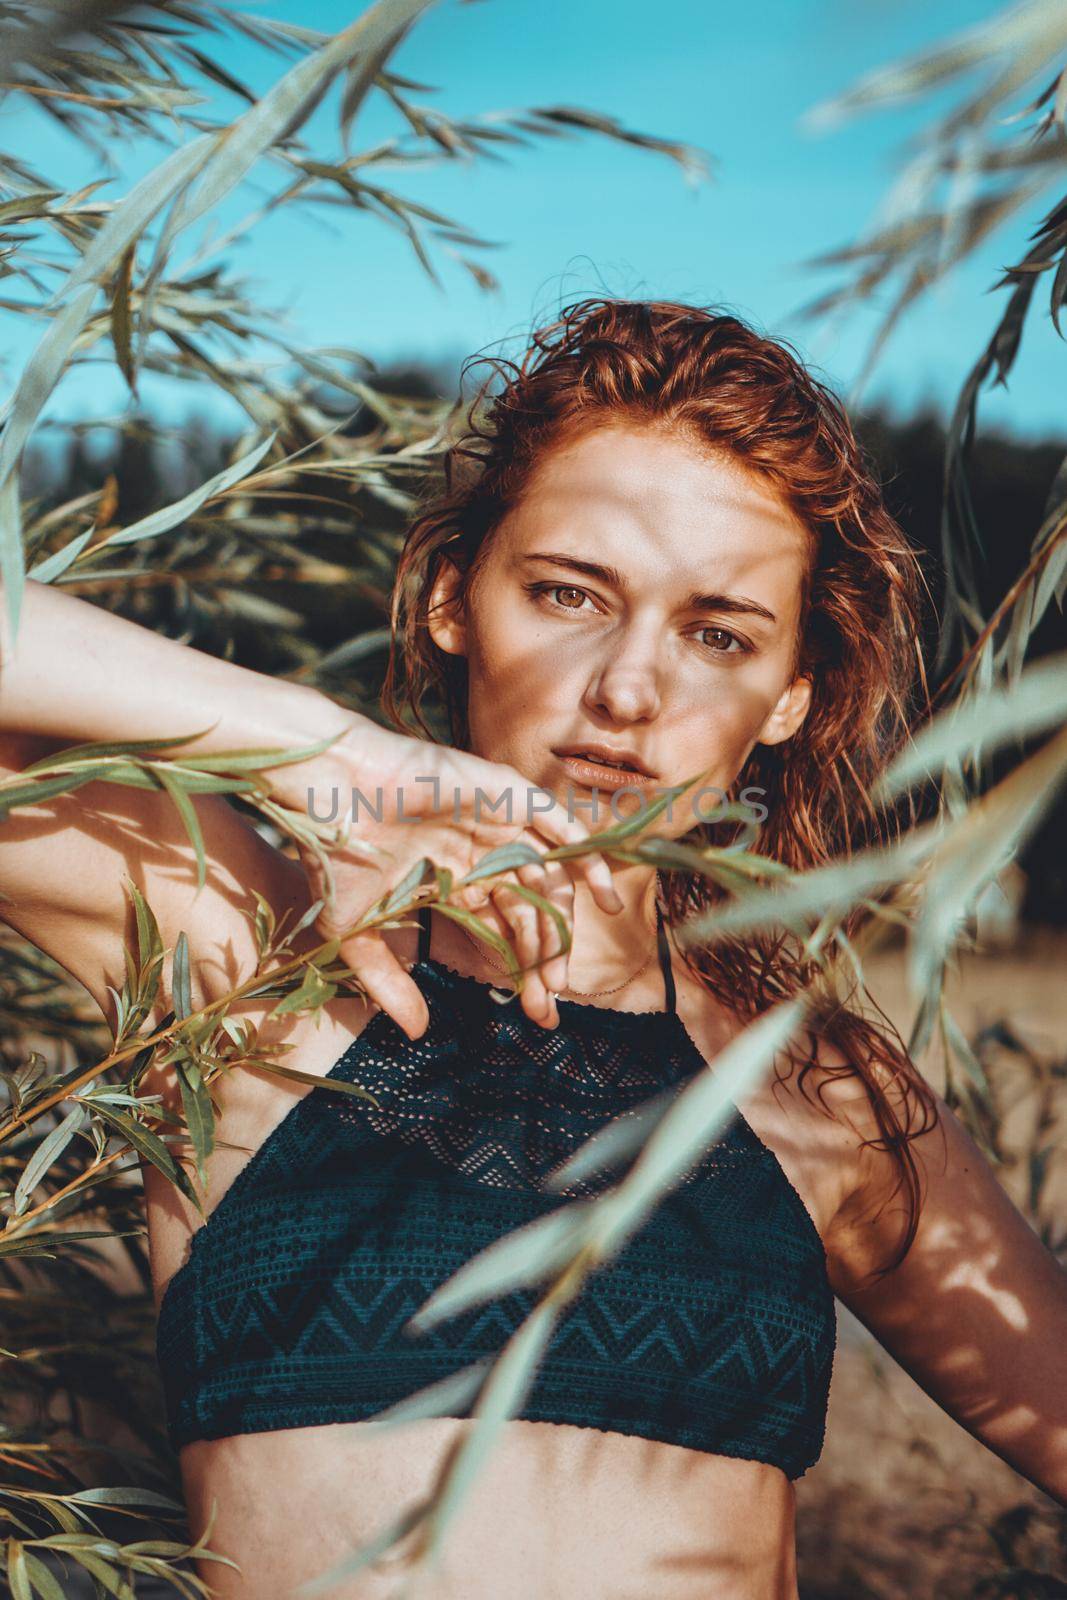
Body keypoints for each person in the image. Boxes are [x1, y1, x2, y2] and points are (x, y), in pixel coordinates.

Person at [1, 297, 1065, 1600]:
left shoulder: (820, 1090)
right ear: (455, 598)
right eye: (570, 594)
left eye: (717, 631)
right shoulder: (240, 959)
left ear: (791, 691)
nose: (627, 689)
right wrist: (334, 750)